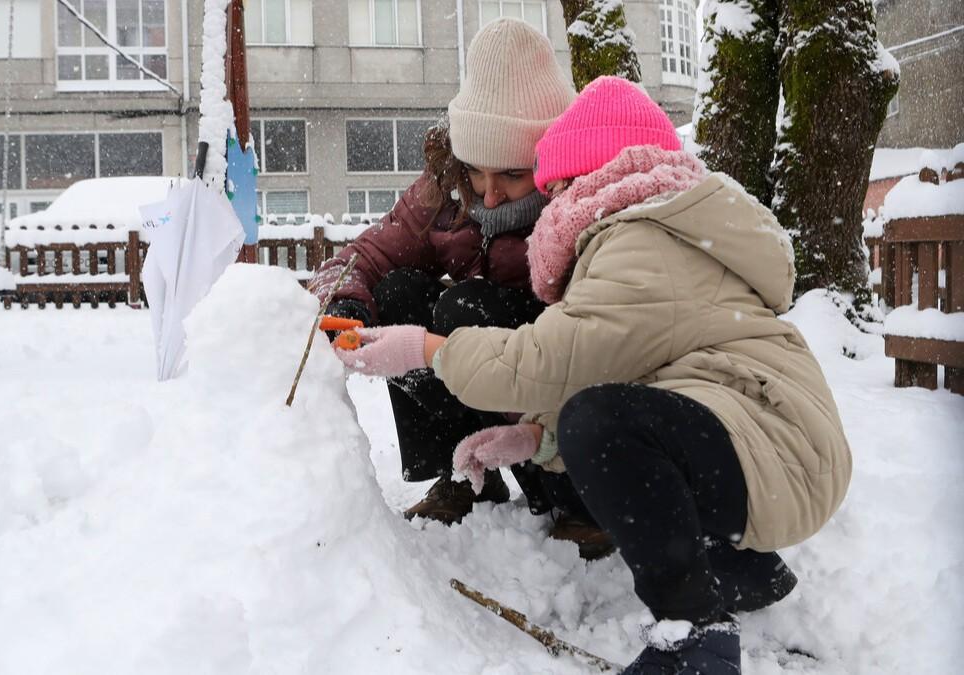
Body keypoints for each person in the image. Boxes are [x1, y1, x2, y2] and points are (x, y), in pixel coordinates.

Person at [333, 76, 851, 674]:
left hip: (776, 449)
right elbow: (626, 367)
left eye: (554, 187)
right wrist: (536, 438)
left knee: (599, 422)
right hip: (768, 439)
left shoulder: (640, 242)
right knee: (598, 418)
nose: (550, 207)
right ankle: (741, 569)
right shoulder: (655, 226)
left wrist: (428, 350)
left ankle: (696, 642)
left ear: (591, 179)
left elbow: (553, 360)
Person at [311, 18, 592, 531]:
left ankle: (569, 493)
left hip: (552, 376)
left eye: (511, 173)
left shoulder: (581, 200)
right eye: (476, 169)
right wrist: (345, 304)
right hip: (471, 365)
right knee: (399, 292)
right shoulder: (444, 189)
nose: (487, 193)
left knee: (464, 308)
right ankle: (458, 475)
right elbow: (364, 258)